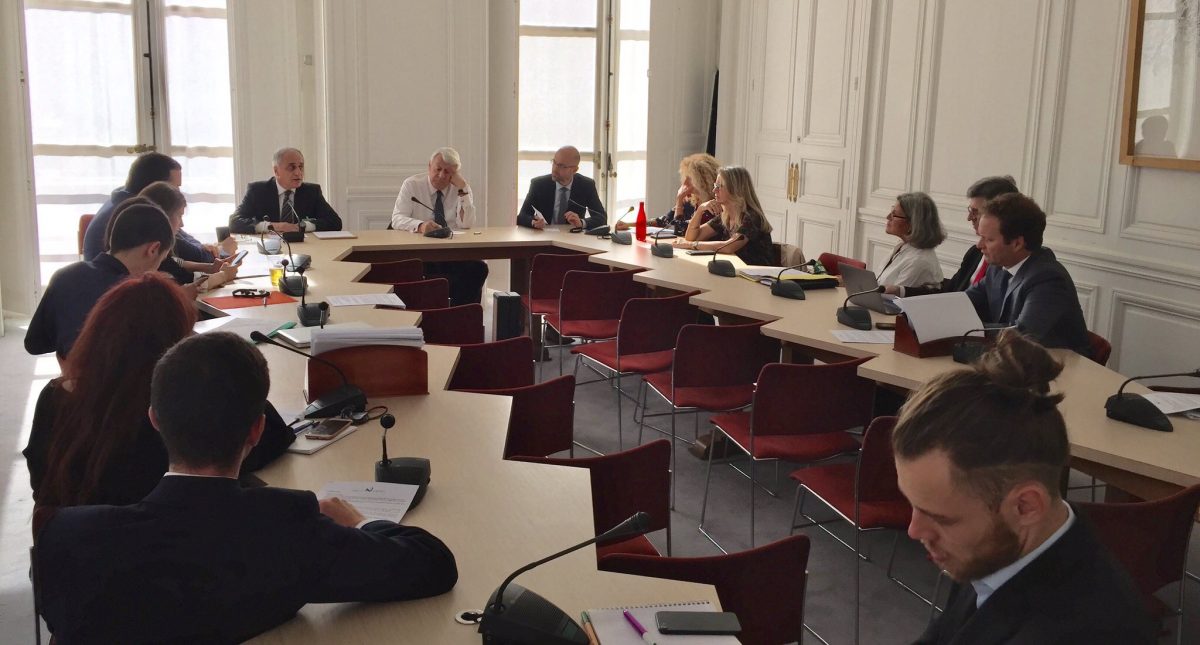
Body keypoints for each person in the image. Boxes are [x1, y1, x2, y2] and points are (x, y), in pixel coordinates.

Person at [35, 331, 458, 643]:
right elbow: (434, 564)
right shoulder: (289, 528)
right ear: (256, 430)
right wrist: (359, 521)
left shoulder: (68, 536)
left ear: (155, 420)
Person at [894, 330, 1156, 644]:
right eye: (913, 505)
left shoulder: (1083, 630)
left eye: (941, 517)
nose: (914, 530)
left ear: (1026, 506)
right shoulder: (996, 549)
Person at [24, 273, 293, 507]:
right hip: (172, 552)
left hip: (76, 550)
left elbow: (41, 485)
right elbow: (270, 434)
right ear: (176, 342)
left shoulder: (54, 397)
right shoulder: (173, 414)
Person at [26, 203, 174, 359]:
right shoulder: (141, 296)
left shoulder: (64, 275)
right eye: (161, 260)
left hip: (74, 379)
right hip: (120, 382)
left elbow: (34, 344)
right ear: (153, 249)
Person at [964, 193, 1092, 357]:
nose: (979, 245)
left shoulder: (1048, 279)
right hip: (1010, 363)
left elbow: (1021, 336)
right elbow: (965, 302)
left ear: (1017, 243)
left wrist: (963, 327)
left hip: (1057, 371)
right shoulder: (997, 267)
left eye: (988, 239)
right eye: (980, 237)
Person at [389, 147, 489, 305]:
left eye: (448, 172)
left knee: (479, 268)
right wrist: (420, 225)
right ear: (429, 167)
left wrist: (463, 191)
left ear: (455, 173)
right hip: (420, 253)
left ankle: (459, 314)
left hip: (452, 251)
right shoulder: (412, 185)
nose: (442, 175)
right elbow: (397, 219)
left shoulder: (461, 188)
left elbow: (466, 224)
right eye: (438, 169)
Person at [901, 175, 1019, 297]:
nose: (969, 218)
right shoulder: (974, 253)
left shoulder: (1008, 264)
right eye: (970, 210)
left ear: (998, 213)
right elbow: (948, 293)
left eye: (975, 212)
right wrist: (901, 291)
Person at [137, 182, 239, 296]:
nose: (181, 224)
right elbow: (182, 288)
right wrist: (223, 275)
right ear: (162, 216)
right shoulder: (154, 247)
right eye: (179, 216)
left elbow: (176, 262)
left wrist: (211, 268)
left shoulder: (146, 239)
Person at [672, 165, 775, 266]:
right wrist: (700, 210)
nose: (714, 191)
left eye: (719, 186)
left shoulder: (752, 217)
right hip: (736, 273)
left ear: (735, 189)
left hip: (759, 277)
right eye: (715, 186)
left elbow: (729, 246)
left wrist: (690, 245)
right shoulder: (725, 216)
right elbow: (691, 237)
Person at [229, 147, 343, 234]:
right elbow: (234, 222)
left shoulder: (312, 191)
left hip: (305, 248)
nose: (298, 172)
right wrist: (273, 226)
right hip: (270, 250)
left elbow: (335, 222)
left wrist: (301, 226)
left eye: (301, 166)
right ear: (276, 171)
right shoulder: (257, 191)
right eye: (291, 167)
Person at [616, 153, 720, 235]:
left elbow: (680, 230)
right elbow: (663, 221)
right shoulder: (692, 200)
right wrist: (629, 225)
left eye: (690, 179)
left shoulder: (714, 206)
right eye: (685, 177)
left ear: (704, 181)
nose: (684, 183)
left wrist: (679, 201)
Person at [517, 145, 607, 229]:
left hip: (572, 239)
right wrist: (533, 222)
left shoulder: (586, 185)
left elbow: (602, 217)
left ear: (574, 170)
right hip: (544, 236)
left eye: (561, 166)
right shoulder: (539, 184)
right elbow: (522, 216)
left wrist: (581, 222)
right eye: (554, 162)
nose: (554, 169)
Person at [877, 192, 945, 295]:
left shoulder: (919, 260)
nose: (888, 217)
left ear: (912, 223)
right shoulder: (904, 245)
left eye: (894, 214)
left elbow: (893, 302)